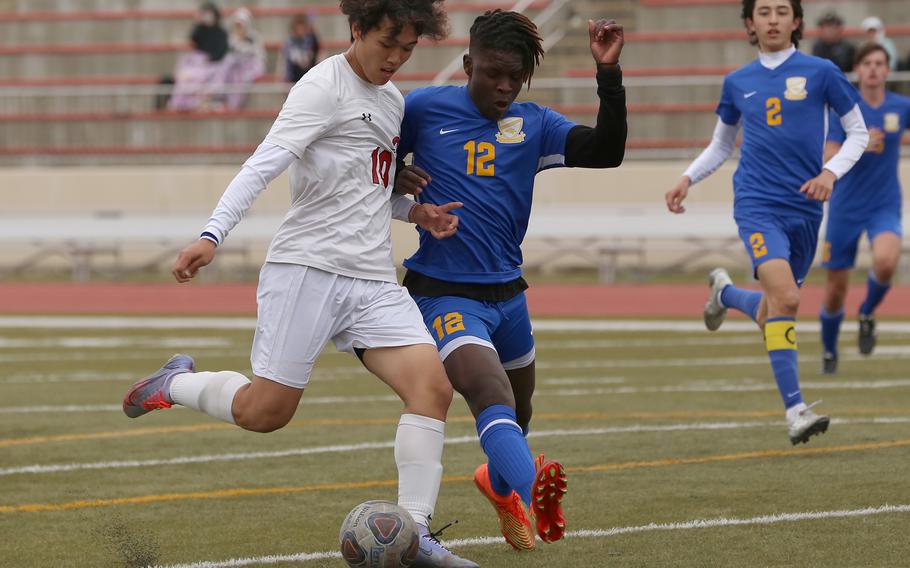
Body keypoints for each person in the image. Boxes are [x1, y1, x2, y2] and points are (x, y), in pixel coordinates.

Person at [122, 2, 477, 566]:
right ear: (357, 29)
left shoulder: (392, 102)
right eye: (388, 43)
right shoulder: (321, 87)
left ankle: (415, 536)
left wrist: (415, 213)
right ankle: (175, 384)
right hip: (306, 269)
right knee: (265, 413)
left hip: (371, 279)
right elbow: (262, 164)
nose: (396, 58)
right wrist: (211, 235)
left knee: (432, 390)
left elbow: (365, 189)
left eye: (408, 49)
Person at [394, 10, 626, 550]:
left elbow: (607, 152)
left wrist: (608, 77)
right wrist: (393, 173)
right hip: (441, 291)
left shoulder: (535, 123)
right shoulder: (423, 109)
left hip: (509, 295)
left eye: (514, 77)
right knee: (487, 389)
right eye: (492, 73)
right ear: (468, 64)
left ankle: (498, 486)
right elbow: (362, 163)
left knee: (518, 414)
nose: (503, 87)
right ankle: (533, 487)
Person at [664, 0, 869, 445]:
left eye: (781, 11)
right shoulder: (738, 81)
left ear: (796, 21)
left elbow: (859, 132)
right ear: (749, 24)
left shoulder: (821, 73)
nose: (772, 19)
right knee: (789, 298)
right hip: (757, 204)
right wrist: (687, 177)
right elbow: (722, 145)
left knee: (773, 308)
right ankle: (795, 410)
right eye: (763, 12)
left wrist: (830, 173)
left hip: (806, 207)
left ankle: (725, 293)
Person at [819, 44, 910, 374]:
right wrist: (855, 144)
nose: (873, 69)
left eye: (879, 63)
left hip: (884, 203)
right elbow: (827, 157)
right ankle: (829, 352)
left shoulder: (901, 106)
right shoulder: (844, 108)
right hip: (845, 206)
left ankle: (868, 312)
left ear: (888, 70)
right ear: (858, 69)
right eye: (867, 63)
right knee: (835, 288)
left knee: (886, 262)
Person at [169, 2, 231, 111]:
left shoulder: (222, 33)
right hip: (198, 63)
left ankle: (203, 101)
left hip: (213, 65)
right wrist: (197, 22)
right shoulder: (200, 30)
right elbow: (192, 41)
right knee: (185, 75)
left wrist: (209, 60)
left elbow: (222, 52)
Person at [223, 7, 266, 110]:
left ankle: (237, 103)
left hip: (250, 67)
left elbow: (260, 56)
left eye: (241, 25)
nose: (239, 28)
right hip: (235, 69)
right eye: (237, 25)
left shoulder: (254, 37)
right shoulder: (231, 39)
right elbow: (228, 56)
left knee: (243, 78)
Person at [278, 14, 321, 83]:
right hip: (292, 79)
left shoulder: (310, 41)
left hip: (308, 78)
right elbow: (284, 62)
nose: (301, 31)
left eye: (303, 28)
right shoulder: (289, 43)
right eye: (298, 28)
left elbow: (316, 55)